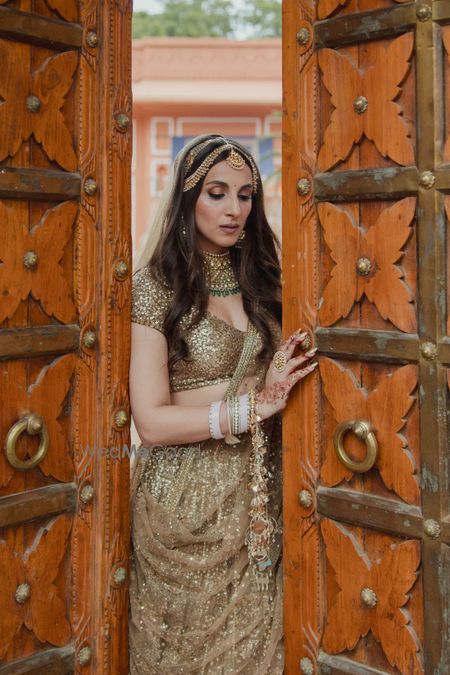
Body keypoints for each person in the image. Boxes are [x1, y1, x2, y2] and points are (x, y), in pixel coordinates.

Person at [128, 134, 317, 674]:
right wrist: (251, 408)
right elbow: (152, 420)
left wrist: (274, 388)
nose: (234, 209)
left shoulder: (266, 282)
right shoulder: (155, 288)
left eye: (245, 195)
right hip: (185, 506)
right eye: (216, 193)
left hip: (263, 495)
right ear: (187, 198)